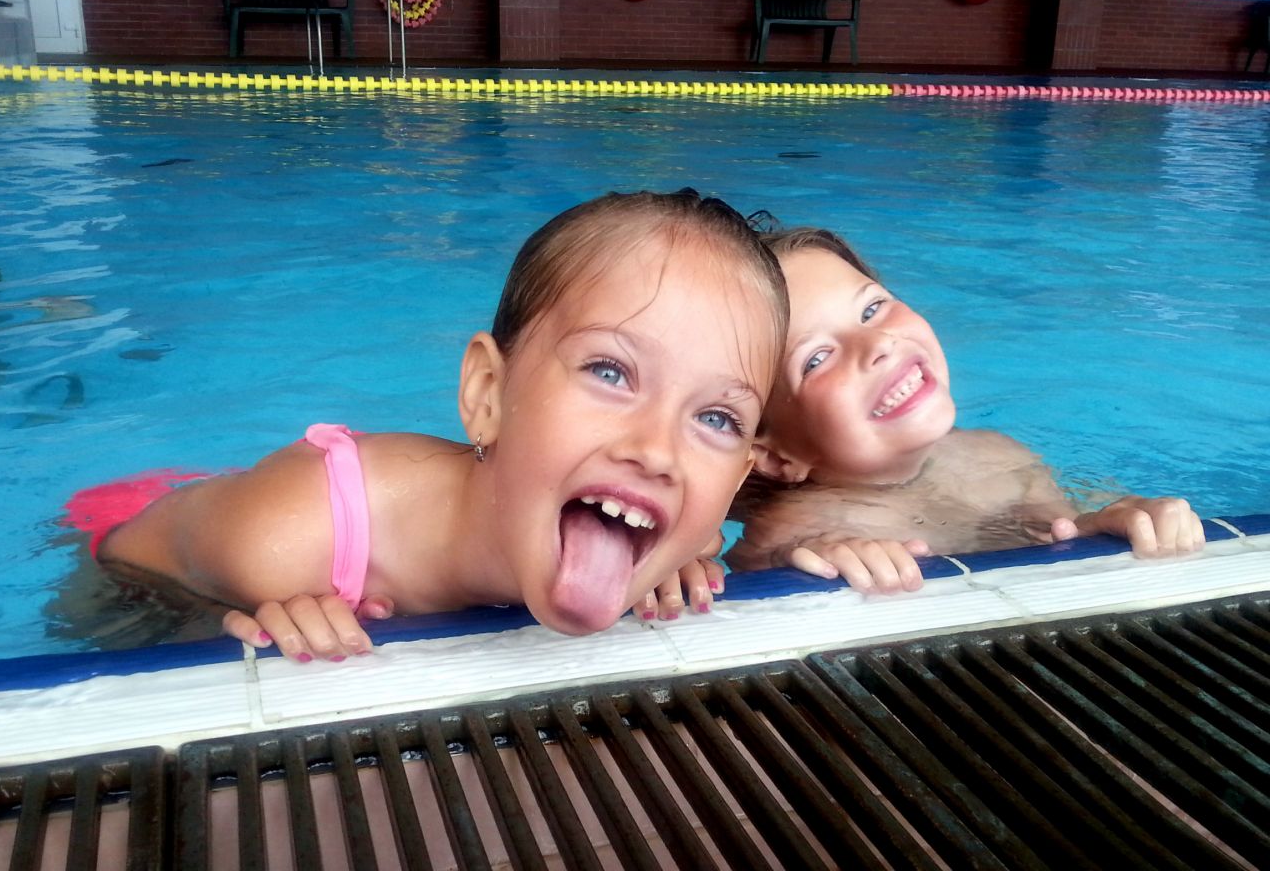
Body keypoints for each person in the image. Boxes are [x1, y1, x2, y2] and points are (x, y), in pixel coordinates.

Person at [67, 189, 788, 660]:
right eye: (609, 372)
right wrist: (222, 623)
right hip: (138, 527)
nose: (659, 452)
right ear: (487, 394)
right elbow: (123, 567)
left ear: (738, 478)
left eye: (717, 418)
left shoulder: (666, 535)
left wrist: (670, 562)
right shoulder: (286, 539)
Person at [724, 225, 1204, 593]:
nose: (878, 344)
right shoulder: (797, 530)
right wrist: (810, 562)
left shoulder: (997, 453)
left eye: (872, 309)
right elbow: (755, 598)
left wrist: (1112, 525)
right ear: (776, 454)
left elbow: (1058, 540)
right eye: (816, 359)